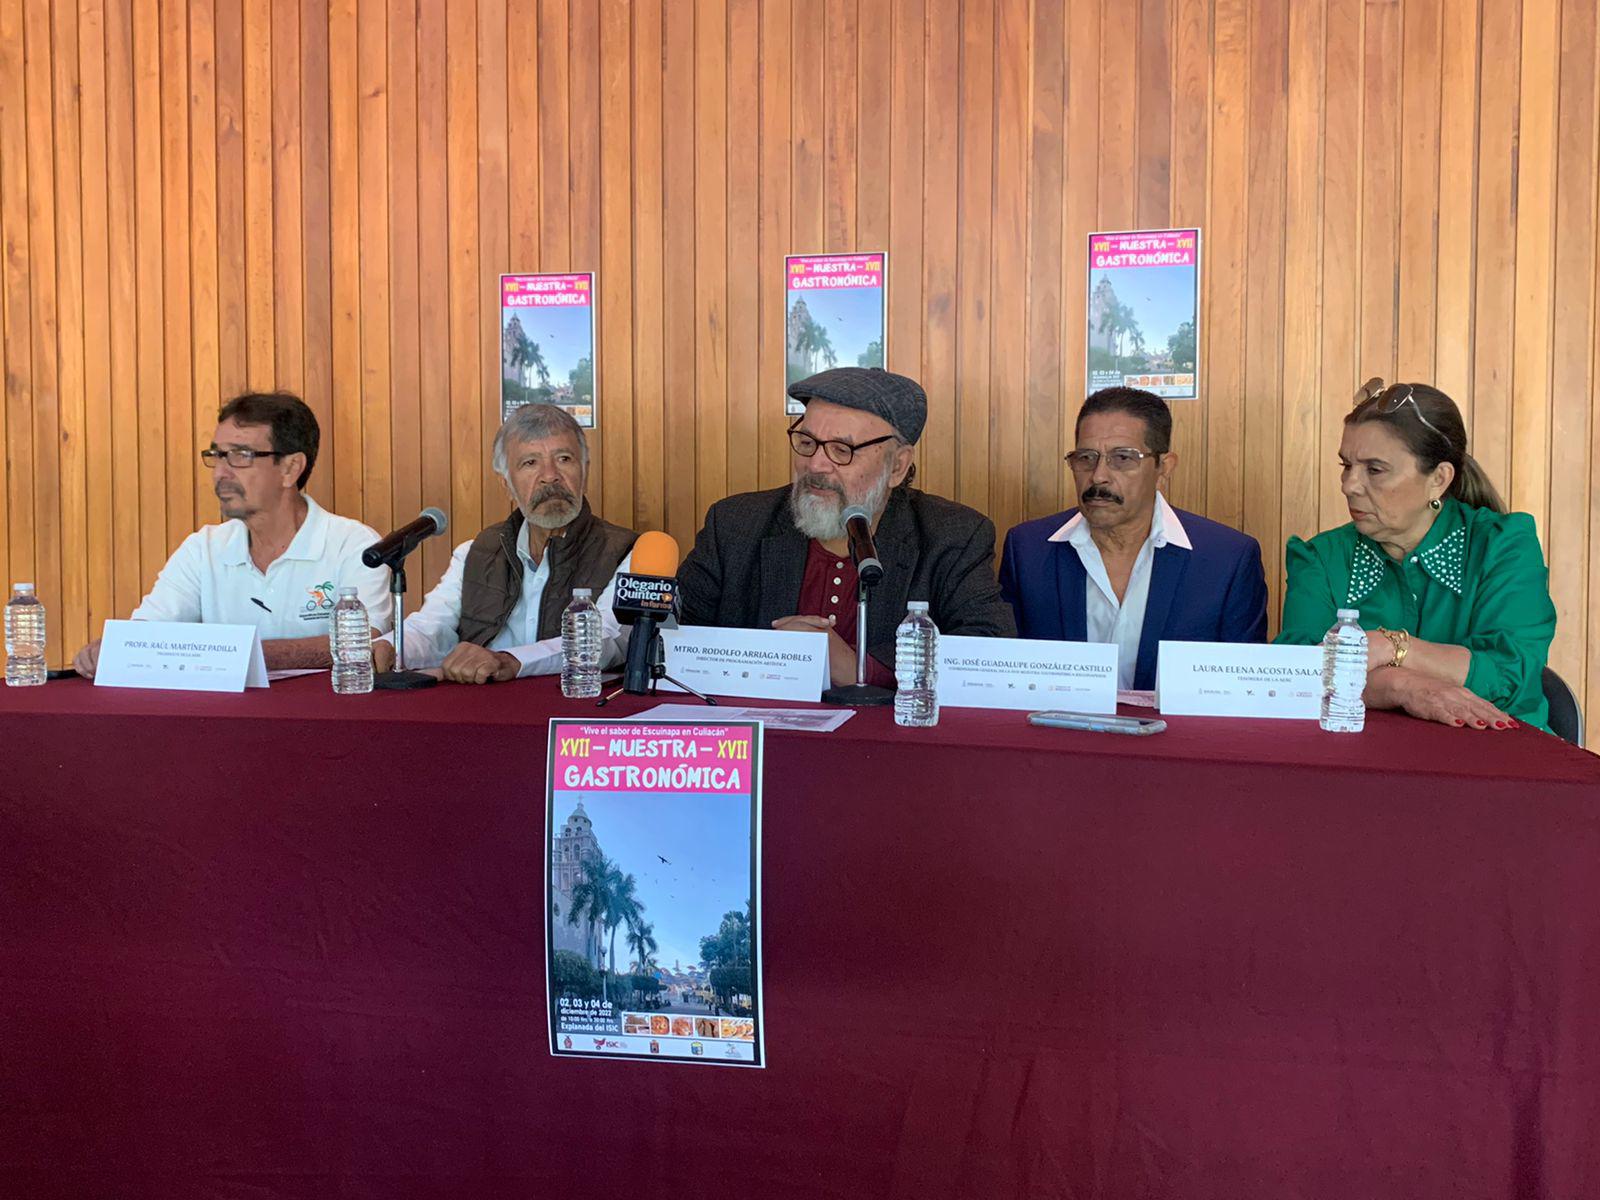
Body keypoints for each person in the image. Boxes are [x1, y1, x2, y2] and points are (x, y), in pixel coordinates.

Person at [676, 367, 1015, 688]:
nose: (815, 465)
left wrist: (859, 668)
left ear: (897, 466)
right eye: (807, 443)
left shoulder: (952, 535)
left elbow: (987, 648)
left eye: (842, 450)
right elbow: (674, 635)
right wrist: (769, 659)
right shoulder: (736, 524)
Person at [1277, 378, 1557, 730]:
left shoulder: (1502, 545)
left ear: (1439, 479)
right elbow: (1300, 673)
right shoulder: (1320, 557)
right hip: (1362, 755)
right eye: (1346, 465)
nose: (1349, 485)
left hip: (1496, 751)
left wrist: (1391, 647)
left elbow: (1507, 674)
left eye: (1374, 469)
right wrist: (1403, 686)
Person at [72, 392, 391, 677]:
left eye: (241, 455)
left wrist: (237, 653)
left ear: (290, 468)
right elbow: (149, 631)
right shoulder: (204, 548)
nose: (221, 473)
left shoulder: (354, 545)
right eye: (217, 456)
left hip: (320, 717)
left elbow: (368, 640)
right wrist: (119, 647)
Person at [999, 387, 1267, 690]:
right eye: (1086, 457)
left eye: (1123, 458)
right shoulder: (1027, 550)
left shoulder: (1226, 560)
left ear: (1164, 467)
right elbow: (1007, 677)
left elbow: (1240, 693)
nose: (1098, 476)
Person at [373, 403, 637, 684]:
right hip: (480, 703)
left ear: (585, 471)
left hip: (574, 703)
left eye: (564, 459)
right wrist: (389, 646)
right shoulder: (475, 552)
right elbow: (432, 628)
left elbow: (608, 640)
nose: (550, 476)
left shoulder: (627, 552)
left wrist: (510, 661)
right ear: (506, 483)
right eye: (530, 463)